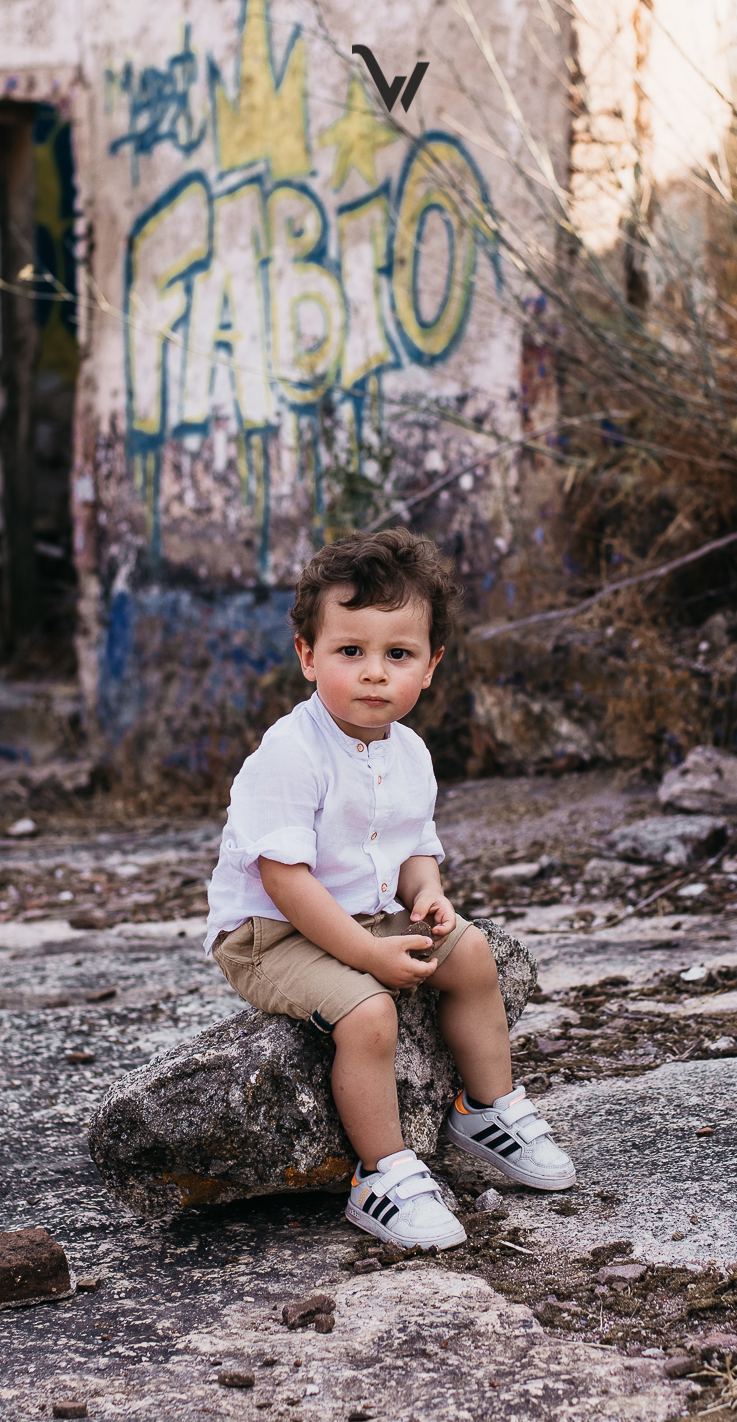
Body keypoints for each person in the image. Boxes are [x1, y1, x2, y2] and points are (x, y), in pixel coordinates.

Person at [205, 528, 575, 1249]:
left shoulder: (409, 753)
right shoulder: (291, 751)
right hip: (270, 934)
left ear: (431, 665)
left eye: (397, 654)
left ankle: (484, 1109)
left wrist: (428, 892)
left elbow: (411, 850)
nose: (375, 673)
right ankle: (383, 1174)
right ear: (308, 655)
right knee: (370, 1013)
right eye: (351, 652)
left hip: (361, 915)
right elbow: (284, 880)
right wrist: (368, 959)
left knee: (470, 957)